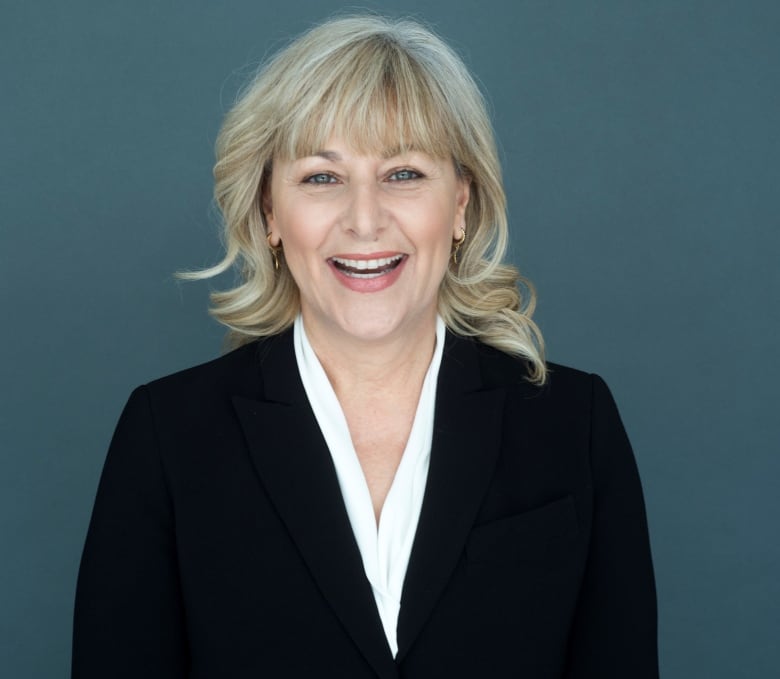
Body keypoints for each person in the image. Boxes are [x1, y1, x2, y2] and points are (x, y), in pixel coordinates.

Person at [72, 15, 658, 679]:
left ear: (461, 202)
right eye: (322, 177)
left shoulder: (574, 424)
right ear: (268, 209)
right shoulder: (167, 436)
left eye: (403, 172)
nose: (365, 217)